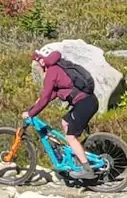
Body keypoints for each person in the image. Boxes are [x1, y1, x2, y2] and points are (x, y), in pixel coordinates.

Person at [25, 45, 102, 177]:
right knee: (65, 122)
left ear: (43, 62)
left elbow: (44, 98)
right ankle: (74, 157)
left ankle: (87, 170)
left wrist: (31, 113)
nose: (37, 67)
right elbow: (49, 96)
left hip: (85, 104)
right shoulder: (60, 67)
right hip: (89, 101)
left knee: (70, 137)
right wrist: (33, 107)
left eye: (37, 63)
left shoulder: (51, 72)